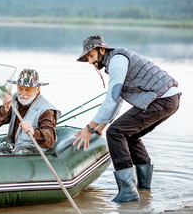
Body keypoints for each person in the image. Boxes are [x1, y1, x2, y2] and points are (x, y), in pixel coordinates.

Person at [72, 35, 181, 202]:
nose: (90, 61)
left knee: (115, 133)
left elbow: (112, 97)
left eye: (91, 56)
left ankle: (128, 192)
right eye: (87, 58)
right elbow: (118, 98)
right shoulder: (116, 61)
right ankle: (144, 188)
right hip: (169, 99)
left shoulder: (117, 61)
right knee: (129, 134)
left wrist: (89, 128)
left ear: (102, 50)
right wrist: (102, 124)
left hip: (161, 100)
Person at [0, 69, 61, 155]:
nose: (23, 94)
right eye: (20, 89)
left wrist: (33, 131)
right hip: (13, 145)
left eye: (28, 90)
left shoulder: (46, 109)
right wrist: (6, 107)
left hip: (35, 148)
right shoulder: (13, 99)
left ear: (38, 89)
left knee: (18, 153)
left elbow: (50, 137)